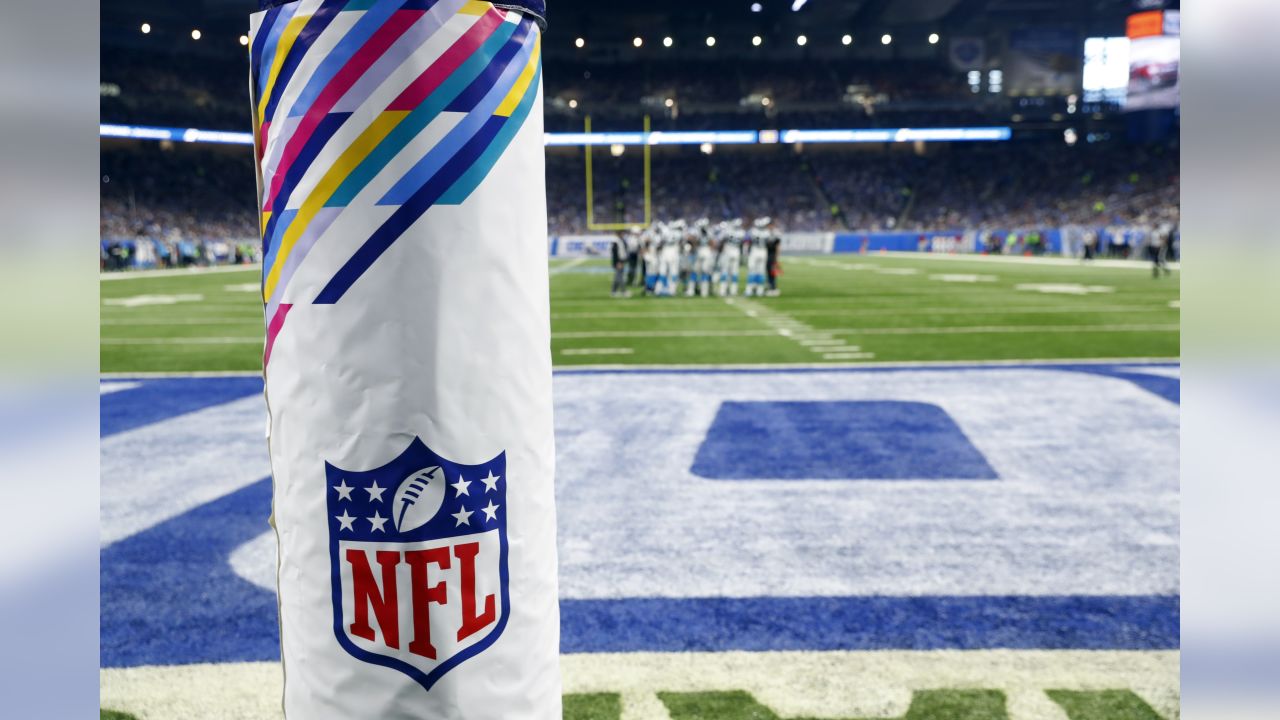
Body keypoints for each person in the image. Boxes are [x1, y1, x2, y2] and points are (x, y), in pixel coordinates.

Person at [610, 231, 629, 297]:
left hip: (621, 261)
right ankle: (623, 291)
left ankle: (613, 291)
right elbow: (614, 253)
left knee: (617, 277)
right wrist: (618, 262)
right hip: (618, 262)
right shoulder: (616, 242)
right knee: (620, 277)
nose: (623, 234)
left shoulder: (621, 241)